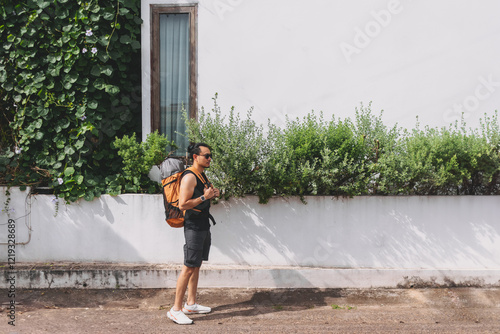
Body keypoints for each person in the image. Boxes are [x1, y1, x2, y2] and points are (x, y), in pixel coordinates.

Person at [167, 143, 220, 325]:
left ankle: (190, 304)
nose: (210, 158)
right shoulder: (189, 177)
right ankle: (175, 310)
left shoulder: (201, 175)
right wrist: (205, 197)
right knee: (188, 266)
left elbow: (203, 196)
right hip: (193, 226)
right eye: (207, 155)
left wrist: (211, 194)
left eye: (210, 155)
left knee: (196, 265)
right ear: (196, 157)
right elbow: (183, 204)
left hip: (203, 224)